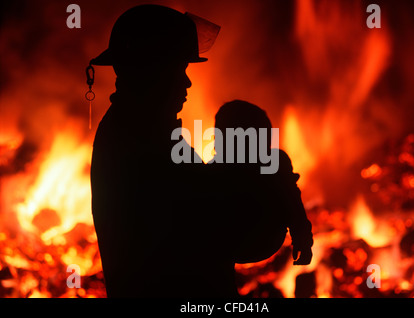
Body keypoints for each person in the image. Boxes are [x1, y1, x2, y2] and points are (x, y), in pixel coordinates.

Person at [89, 5, 230, 297]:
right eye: (179, 69)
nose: (188, 82)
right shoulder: (140, 140)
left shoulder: (143, 130)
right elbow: (211, 226)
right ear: (151, 71)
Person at [209, 100, 313, 266]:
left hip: (237, 244)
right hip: (264, 241)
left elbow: (292, 201)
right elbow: (293, 202)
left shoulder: (214, 173)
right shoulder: (276, 164)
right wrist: (303, 239)